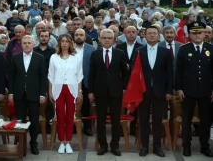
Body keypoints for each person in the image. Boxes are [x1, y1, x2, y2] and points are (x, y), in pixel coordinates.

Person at [175, 21, 213, 157]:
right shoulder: (184, 49)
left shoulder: (211, 48)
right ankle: (186, 145)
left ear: (204, 33)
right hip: (187, 91)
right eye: (194, 32)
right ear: (190, 34)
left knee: (206, 120)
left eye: (200, 32)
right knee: (186, 120)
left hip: (206, 91)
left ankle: (204, 146)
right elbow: (178, 71)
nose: (197, 35)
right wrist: (179, 88)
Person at [88, 29, 128, 156]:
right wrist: (90, 91)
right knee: (101, 120)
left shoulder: (120, 53)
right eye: (104, 37)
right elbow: (91, 74)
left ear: (114, 39)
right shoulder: (95, 54)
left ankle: (115, 146)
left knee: (116, 120)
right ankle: (103, 145)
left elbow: (125, 72)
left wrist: (125, 88)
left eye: (109, 38)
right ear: (99, 39)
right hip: (100, 92)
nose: (106, 40)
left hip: (116, 92)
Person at [136, 26, 174, 157]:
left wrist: (169, 91)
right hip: (143, 91)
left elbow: (170, 73)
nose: (152, 35)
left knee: (158, 120)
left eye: (154, 33)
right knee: (143, 119)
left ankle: (157, 147)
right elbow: (134, 74)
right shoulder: (139, 51)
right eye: (149, 33)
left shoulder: (166, 51)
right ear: (145, 36)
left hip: (160, 92)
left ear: (159, 36)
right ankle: (144, 146)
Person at [8, 35, 47, 155]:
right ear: (21, 44)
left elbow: (43, 78)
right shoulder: (15, 57)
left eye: (29, 43)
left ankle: (33, 143)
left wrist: (42, 94)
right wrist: (11, 93)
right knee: (20, 120)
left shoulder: (39, 58)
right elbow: (11, 77)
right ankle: (22, 144)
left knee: (34, 121)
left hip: (34, 95)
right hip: (19, 94)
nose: (26, 45)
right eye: (24, 43)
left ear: (33, 44)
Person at [48, 34, 83, 154]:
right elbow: (51, 76)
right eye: (62, 41)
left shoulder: (76, 57)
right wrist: (50, 91)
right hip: (58, 89)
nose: (64, 43)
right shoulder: (54, 57)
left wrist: (79, 91)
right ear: (59, 43)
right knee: (60, 116)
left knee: (69, 117)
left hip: (71, 89)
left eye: (67, 41)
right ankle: (61, 142)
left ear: (70, 43)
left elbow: (79, 76)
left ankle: (68, 142)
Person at [73, 29, 96, 136]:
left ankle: (87, 127)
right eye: (76, 35)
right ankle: (72, 126)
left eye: (81, 35)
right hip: (72, 81)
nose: (78, 37)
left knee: (86, 105)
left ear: (85, 37)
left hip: (86, 80)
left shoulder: (91, 49)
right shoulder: (69, 47)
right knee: (72, 105)